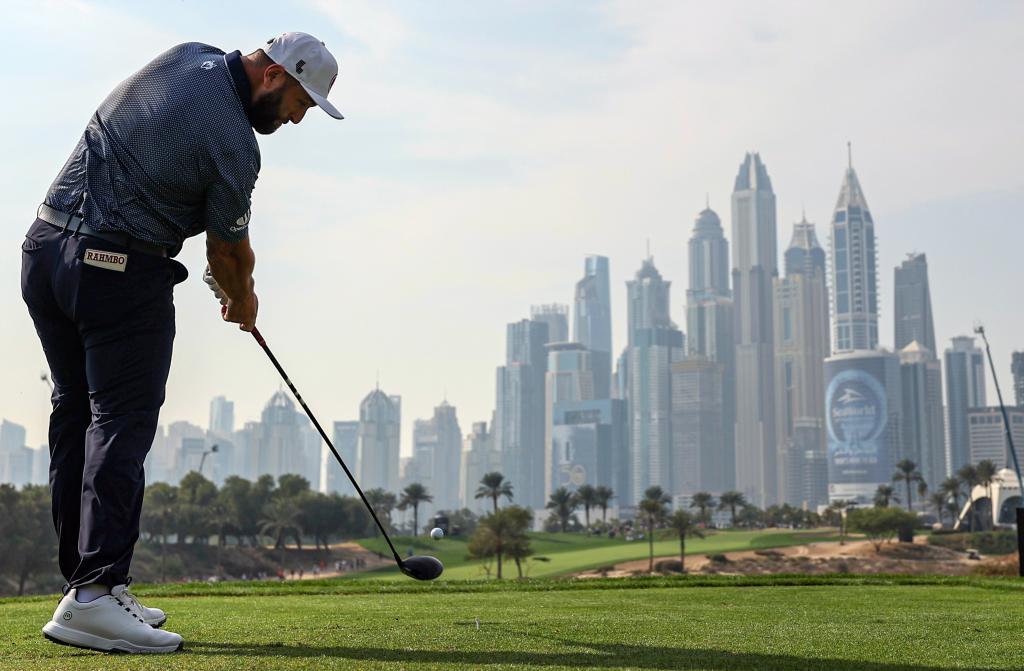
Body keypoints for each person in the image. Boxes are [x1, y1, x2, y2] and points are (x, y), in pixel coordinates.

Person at [22, 32, 343, 654]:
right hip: (117, 270)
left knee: (78, 412)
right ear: (275, 75)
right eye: (302, 102)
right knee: (121, 421)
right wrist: (241, 299)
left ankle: (91, 587)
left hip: (45, 253)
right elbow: (226, 249)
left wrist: (226, 280)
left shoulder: (184, 54)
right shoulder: (234, 142)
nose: (300, 118)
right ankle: (93, 593)